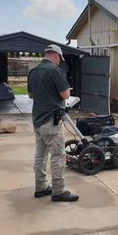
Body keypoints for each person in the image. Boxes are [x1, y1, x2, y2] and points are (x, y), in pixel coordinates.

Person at [27, 44, 79, 202]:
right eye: (59, 59)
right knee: (58, 155)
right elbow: (64, 94)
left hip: (37, 120)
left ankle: (41, 187)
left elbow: (30, 95)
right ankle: (58, 190)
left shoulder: (33, 71)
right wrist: (66, 91)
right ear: (55, 56)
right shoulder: (55, 71)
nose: (59, 62)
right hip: (51, 120)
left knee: (40, 155)